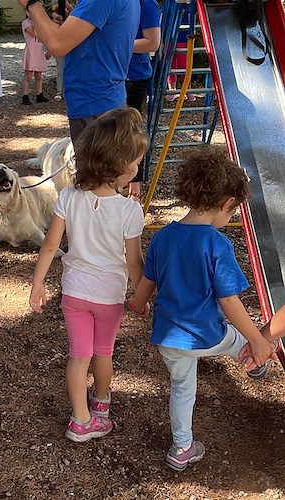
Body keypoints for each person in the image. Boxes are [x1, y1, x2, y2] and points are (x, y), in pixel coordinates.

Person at [128, 147, 277, 471]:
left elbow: (146, 285)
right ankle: (255, 362)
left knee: (183, 389)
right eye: (233, 211)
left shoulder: (164, 237)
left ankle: (181, 448)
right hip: (206, 336)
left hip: (169, 340)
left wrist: (137, 304)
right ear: (226, 204)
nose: (231, 217)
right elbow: (229, 302)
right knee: (237, 339)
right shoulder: (216, 244)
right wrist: (258, 340)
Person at [29, 107, 149, 442]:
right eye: (135, 162)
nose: (137, 168)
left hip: (74, 294)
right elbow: (134, 261)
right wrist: (140, 295)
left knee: (78, 356)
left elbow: (51, 245)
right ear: (117, 167)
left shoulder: (68, 197)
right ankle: (101, 404)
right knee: (103, 353)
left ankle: (80, 421)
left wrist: (38, 283)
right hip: (108, 297)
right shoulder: (129, 210)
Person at [16, 0, 140, 144]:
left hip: (94, 106)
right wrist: (72, 24)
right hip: (106, 101)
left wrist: (31, 4)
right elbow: (103, 38)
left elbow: (57, 45)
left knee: (95, 166)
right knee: (109, 165)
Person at [126, 0, 161, 201]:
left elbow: (152, 42)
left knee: (131, 132)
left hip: (134, 76)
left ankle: (135, 189)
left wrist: (114, 43)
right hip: (113, 73)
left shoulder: (146, 3)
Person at [21, 11, 50, 106]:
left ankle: (39, 94)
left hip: (39, 51)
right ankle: (25, 96)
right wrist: (38, 23)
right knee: (28, 76)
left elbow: (45, 37)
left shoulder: (40, 23)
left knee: (38, 75)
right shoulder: (26, 23)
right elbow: (35, 33)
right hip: (31, 52)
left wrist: (48, 51)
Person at [166, 10, 196, 102]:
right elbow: (162, 19)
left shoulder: (187, 5)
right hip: (169, 37)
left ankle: (188, 89)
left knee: (185, 64)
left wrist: (192, 35)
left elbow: (192, 18)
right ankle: (172, 89)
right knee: (171, 64)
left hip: (183, 37)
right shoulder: (169, 5)